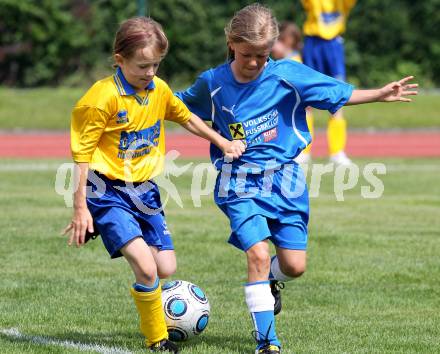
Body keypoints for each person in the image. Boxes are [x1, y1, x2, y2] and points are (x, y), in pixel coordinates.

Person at [176, 3, 417, 353]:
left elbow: (338, 92)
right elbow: (179, 110)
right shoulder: (212, 84)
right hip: (239, 183)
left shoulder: (288, 74)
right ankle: (267, 342)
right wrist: (217, 139)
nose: (255, 62)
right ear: (231, 43)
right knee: (257, 254)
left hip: (287, 182)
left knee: (295, 265)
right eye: (247, 55)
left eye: (262, 54)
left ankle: (272, 281)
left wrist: (380, 94)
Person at [62, 17, 245, 353]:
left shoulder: (158, 89)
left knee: (166, 267)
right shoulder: (101, 98)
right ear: (120, 60)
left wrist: (222, 141)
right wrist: (79, 207)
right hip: (105, 190)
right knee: (147, 270)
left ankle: (159, 307)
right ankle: (157, 339)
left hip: (145, 191)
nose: (149, 72)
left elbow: (186, 116)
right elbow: (81, 156)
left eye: (156, 65)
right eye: (142, 65)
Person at [301, 0, 357, 165]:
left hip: (333, 45)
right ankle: (303, 150)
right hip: (313, 43)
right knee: (306, 99)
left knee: (337, 98)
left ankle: (337, 151)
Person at [271, 21, 315, 164]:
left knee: (302, 119)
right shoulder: (285, 60)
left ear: (287, 41)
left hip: (297, 105)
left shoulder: (293, 61)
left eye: (277, 41)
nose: (272, 46)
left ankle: (303, 151)